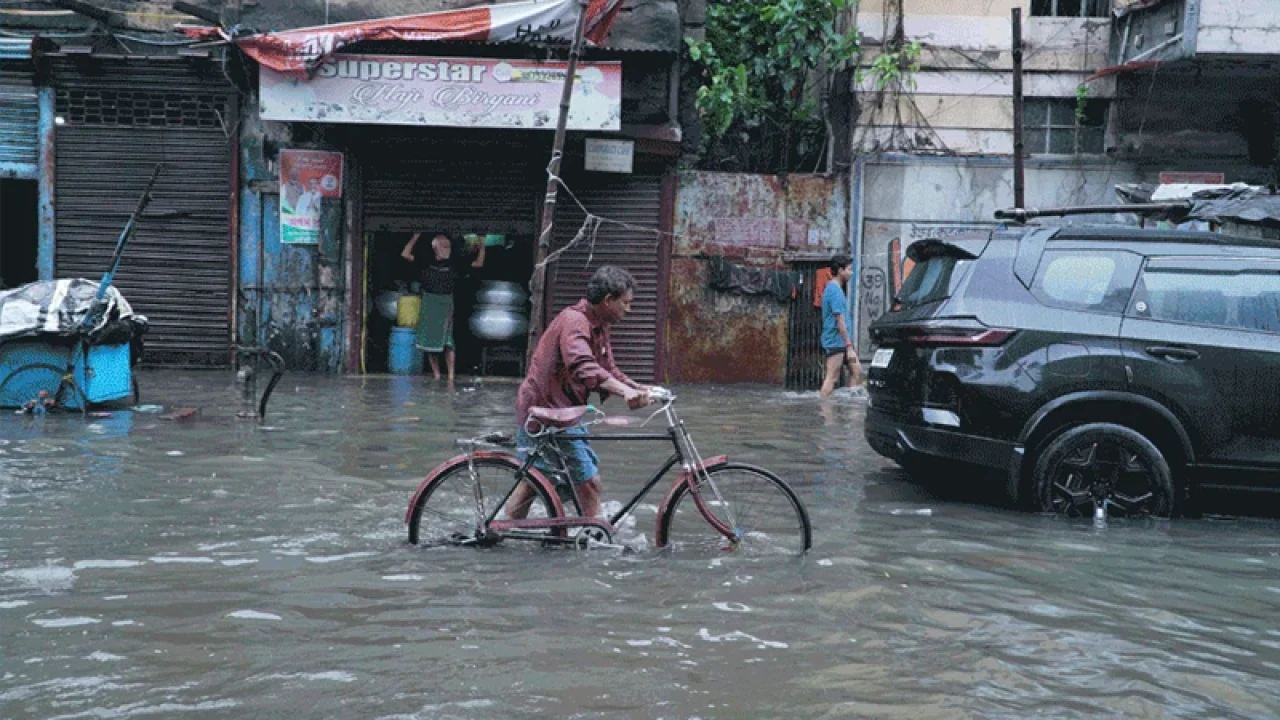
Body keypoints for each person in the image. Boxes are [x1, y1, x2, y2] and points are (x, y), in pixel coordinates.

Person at [505, 265, 652, 520]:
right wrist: (625, 393)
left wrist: (637, 388)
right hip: (547, 411)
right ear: (608, 300)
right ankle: (597, 539)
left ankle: (498, 531)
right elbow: (583, 366)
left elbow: (607, 368)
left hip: (564, 411)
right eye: (625, 303)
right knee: (588, 482)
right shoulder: (575, 322)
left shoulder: (599, 324)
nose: (629, 310)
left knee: (536, 481)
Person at [400, 232, 484, 382]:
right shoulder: (425, 262)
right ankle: (437, 374)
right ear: (435, 248)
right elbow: (405, 254)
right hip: (429, 303)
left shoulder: (455, 264)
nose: (447, 249)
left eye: (449, 246)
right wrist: (415, 236)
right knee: (430, 342)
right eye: (444, 246)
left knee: (448, 342)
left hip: (446, 303)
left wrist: (482, 245)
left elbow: (478, 264)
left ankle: (451, 375)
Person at [820, 254, 863, 397]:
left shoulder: (836, 289)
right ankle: (826, 413)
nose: (851, 273)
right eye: (849, 270)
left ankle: (849, 409)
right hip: (836, 340)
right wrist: (849, 347)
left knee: (857, 372)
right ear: (840, 270)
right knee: (832, 377)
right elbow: (840, 321)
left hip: (842, 341)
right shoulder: (834, 290)